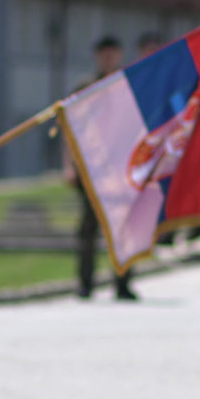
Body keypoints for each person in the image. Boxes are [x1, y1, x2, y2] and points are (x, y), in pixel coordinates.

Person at [66, 35, 135, 300]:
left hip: (121, 168)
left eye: (112, 54)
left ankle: (123, 283)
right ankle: (85, 283)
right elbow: (70, 128)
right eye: (104, 55)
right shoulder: (85, 88)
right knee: (88, 229)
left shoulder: (128, 85)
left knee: (123, 228)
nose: (108, 59)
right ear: (97, 57)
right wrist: (69, 166)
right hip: (92, 168)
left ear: (119, 55)